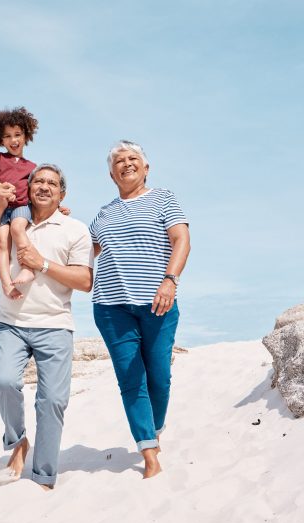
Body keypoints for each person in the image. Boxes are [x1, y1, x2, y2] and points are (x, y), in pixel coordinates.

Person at [0, 164, 94, 490]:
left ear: (62, 193)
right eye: (38, 181)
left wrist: (42, 264)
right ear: (29, 188)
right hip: (10, 322)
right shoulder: (12, 220)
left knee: (52, 401)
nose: (44, 186)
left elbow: (85, 280)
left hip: (54, 325)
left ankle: (43, 479)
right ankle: (17, 442)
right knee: (5, 382)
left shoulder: (76, 229)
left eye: (51, 183)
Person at [89, 140, 190, 479]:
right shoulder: (102, 214)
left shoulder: (163, 198)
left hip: (158, 302)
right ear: (111, 173)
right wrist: (60, 216)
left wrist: (170, 280)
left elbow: (181, 239)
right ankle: (149, 451)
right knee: (131, 380)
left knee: (159, 379)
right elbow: (81, 249)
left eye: (134, 159)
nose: (126, 163)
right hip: (110, 307)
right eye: (119, 160)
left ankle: (155, 426)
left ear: (146, 168)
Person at [0, 106, 38, 300]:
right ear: (0, 139)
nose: (13, 140)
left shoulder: (32, 167)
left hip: (21, 207)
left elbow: (36, 191)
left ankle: (27, 268)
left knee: (17, 228)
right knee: (1, 242)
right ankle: (7, 284)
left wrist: (58, 209)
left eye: (17, 134)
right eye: (7, 136)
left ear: (26, 136)